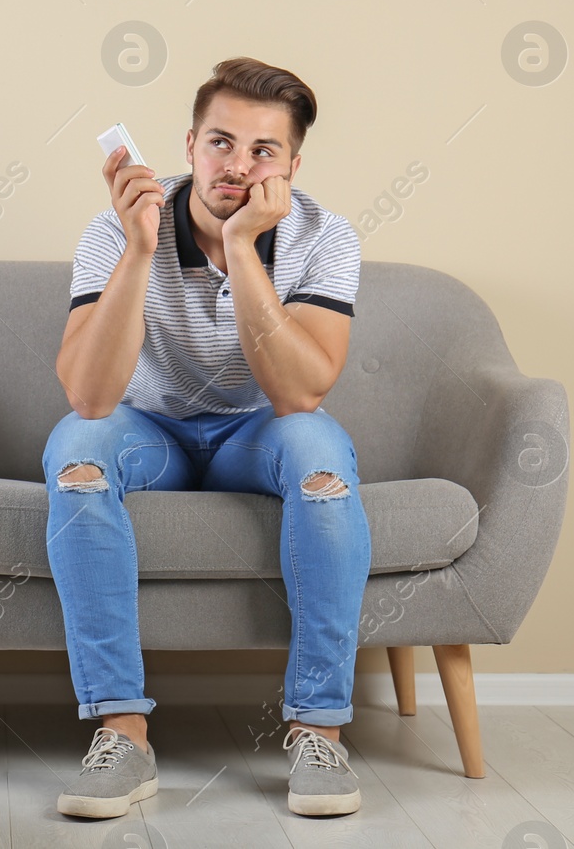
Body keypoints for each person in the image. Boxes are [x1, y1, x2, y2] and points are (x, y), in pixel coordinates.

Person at [46, 57, 370, 820]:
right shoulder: (113, 231)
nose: (237, 165)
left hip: (259, 434)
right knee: (76, 454)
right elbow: (91, 396)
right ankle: (123, 733)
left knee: (323, 457)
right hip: (147, 432)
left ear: (292, 164)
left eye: (263, 151)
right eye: (221, 143)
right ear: (190, 146)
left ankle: (318, 730)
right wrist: (138, 250)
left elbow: (299, 394)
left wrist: (247, 247)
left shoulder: (326, 238)